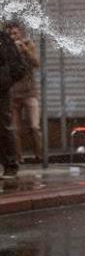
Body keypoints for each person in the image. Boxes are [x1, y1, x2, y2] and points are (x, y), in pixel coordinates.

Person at [5, 21, 41, 163]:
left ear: (20, 33)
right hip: (13, 94)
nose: (13, 36)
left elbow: (36, 63)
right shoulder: (6, 49)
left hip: (30, 93)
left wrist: (24, 50)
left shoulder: (28, 45)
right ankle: (18, 158)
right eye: (10, 34)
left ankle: (40, 156)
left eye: (15, 33)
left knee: (34, 126)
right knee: (14, 130)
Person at [0, 29, 25, 178]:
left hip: (1, 90)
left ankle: (10, 165)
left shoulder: (3, 38)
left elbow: (18, 66)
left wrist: (6, 81)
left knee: (3, 126)